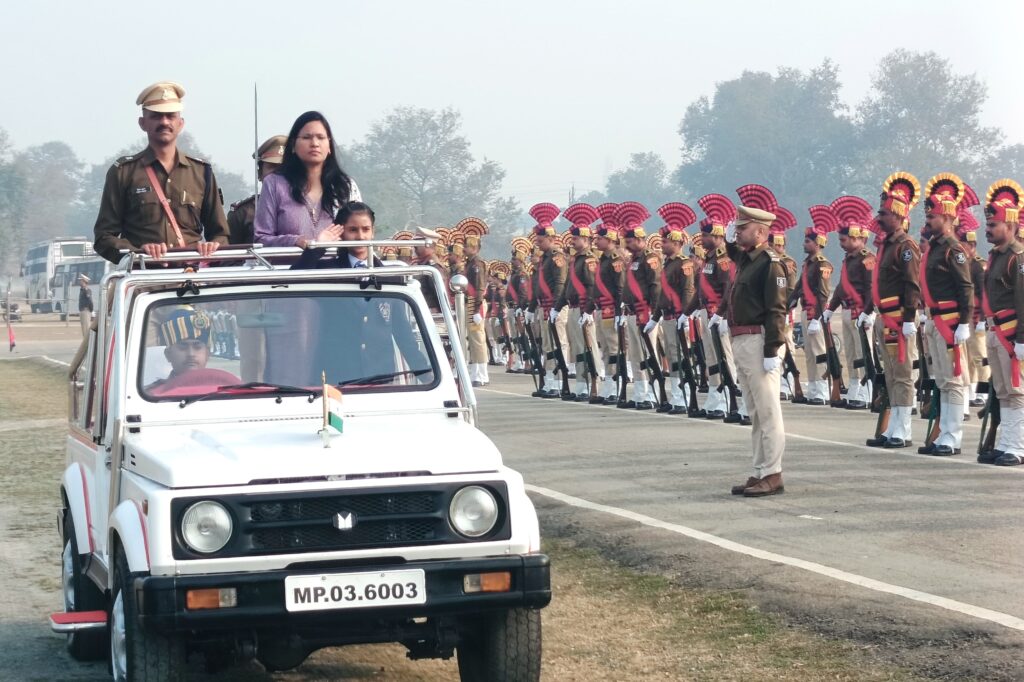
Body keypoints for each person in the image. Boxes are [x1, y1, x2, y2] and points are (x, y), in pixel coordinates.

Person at [291, 201, 431, 385]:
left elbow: (405, 338)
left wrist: (430, 378)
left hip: (380, 380)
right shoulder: (327, 272)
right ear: (341, 233)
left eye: (366, 229)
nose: (361, 236)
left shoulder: (389, 277)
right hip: (337, 379)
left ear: (373, 232)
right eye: (353, 230)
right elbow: (292, 280)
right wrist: (318, 246)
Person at [94, 81, 230, 263]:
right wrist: (137, 253)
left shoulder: (201, 172)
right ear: (143, 123)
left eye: (170, 116)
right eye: (156, 116)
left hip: (192, 279)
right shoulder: (123, 173)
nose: (164, 122)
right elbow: (104, 238)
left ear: (180, 123)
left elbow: (222, 236)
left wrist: (211, 247)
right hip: (144, 281)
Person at [726, 204, 788, 497]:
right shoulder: (749, 260)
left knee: (768, 410)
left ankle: (773, 473)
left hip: (758, 339)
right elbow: (733, 252)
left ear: (761, 232)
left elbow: (777, 309)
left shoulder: (770, 263)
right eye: (737, 228)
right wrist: (728, 239)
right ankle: (761, 469)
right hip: (742, 339)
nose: (737, 232)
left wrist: (772, 349)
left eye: (743, 228)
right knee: (754, 412)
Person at [917, 173, 974, 456]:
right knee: (942, 380)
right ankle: (944, 435)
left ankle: (953, 436)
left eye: (933, 216)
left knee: (953, 380)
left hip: (950, 322)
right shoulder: (936, 249)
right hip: (935, 319)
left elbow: (965, 287)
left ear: (948, 219)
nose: (928, 220)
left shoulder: (954, 250)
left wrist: (964, 322)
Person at [866, 172, 922, 450]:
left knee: (902, 373)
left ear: (898, 215)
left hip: (900, 317)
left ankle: (903, 429)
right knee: (889, 372)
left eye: (884, 213)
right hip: (884, 316)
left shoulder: (906, 247)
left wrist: (910, 318)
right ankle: (892, 427)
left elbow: (912, 285)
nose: (879, 218)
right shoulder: (886, 246)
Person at [253, 111, 361, 248]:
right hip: (289, 268)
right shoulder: (274, 184)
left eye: (321, 137)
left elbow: (359, 234)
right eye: (306, 137)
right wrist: (294, 241)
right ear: (293, 145)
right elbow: (261, 239)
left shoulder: (345, 186)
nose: (315, 143)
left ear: (329, 147)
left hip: (335, 268)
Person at [979, 179, 1024, 465]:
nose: (988, 229)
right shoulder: (996, 256)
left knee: (1016, 391)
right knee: (1003, 390)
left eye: (993, 224)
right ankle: (1007, 443)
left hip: (1011, 333)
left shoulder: (1017, 257)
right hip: (996, 330)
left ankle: (1017, 447)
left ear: (1009, 226)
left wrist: (1021, 337)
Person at [826, 196, 877, 410]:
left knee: (863, 353)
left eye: (844, 239)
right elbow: (841, 287)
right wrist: (830, 308)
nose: (841, 243)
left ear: (857, 238)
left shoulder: (867, 259)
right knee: (850, 352)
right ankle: (855, 387)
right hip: (847, 311)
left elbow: (871, 289)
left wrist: (869, 312)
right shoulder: (848, 259)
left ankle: (867, 391)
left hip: (860, 312)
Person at [695, 193, 738, 420]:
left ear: (719, 236)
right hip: (706, 313)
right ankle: (715, 396)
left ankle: (729, 398)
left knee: (724, 356)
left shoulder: (723, 261)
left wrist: (722, 316)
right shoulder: (708, 259)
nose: (702, 237)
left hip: (717, 315)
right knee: (712, 357)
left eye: (706, 234)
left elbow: (729, 289)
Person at [556, 203, 604, 402]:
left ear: (585, 239)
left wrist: (588, 310)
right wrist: (557, 307)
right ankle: (582, 385)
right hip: (574, 308)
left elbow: (592, 286)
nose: (572, 241)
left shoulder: (589, 260)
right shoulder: (575, 260)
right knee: (578, 348)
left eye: (575, 238)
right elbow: (568, 284)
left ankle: (594, 382)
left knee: (589, 347)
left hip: (584, 308)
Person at [654, 203, 699, 414]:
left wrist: (684, 315)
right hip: (668, 316)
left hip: (678, 316)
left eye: (665, 241)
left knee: (680, 357)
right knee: (672, 356)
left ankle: (684, 397)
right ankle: (677, 397)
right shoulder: (668, 263)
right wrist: (656, 317)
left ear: (676, 242)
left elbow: (688, 291)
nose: (661, 245)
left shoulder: (683, 263)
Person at [617, 201, 662, 410]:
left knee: (648, 352)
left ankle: (652, 393)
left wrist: (654, 313)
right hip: (632, 311)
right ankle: (640, 392)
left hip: (646, 311)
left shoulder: (650, 258)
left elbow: (655, 285)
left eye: (630, 241)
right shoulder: (633, 260)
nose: (627, 245)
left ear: (640, 240)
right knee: (635, 354)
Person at [791, 206, 836, 406]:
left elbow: (823, 294)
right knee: (808, 353)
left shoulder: (821, 264)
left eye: (808, 241)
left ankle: (822, 390)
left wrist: (818, 318)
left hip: (814, 314)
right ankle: (813, 387)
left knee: (819, 353)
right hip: (805, 311)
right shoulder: (808, 263)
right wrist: (789, 303)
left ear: (817, 243)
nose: (804, 244)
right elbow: (799, 287)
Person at [527, 203, 568, 398]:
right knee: (546, 346)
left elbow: (560, 284)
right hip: (544, 306)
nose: (538, 244)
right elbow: (538, 287)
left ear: (551, 239)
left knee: (557, 344)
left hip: (554, 306)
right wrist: (531, 307)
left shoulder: (557, 257)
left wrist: (556, 307)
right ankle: (550, 381)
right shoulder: (543, 259)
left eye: (541, 241)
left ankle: (559, 381)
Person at [593, 205, 627, 404]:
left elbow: (620, 287)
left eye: (600, 238)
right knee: (605, 348)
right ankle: (609, 386)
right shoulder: (603, 259)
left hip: (611, 310)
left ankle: (615, 385)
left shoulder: (616, 260)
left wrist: (618, 311)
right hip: (601, 309)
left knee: (614, 348)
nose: (596, 241)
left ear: (611, 239)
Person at [228, 135, 287, 244]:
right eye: (272, 167)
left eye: (285, 168)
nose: (278, 174)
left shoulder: (309, 209)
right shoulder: (243, 212)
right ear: (259, 173)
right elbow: (228, 259)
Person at [768, 209, 800, 400]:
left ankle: (790, 381)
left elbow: (790, 289)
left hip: (784, 309)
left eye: (777, 244)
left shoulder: (788, 263)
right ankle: (779, 380)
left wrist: (785, 308)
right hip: (772, 309)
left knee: (787, 344)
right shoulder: (769, 261)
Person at [457, 218, 490, 386]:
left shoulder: (477, 264)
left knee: (478, 339)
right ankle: (475, 370)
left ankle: (481, 374)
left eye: (467, 246)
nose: (464, 249)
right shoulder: (469, 264)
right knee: (472, 338)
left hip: (474, 303)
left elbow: (478, 288)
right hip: (469, 302)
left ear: (475, 247)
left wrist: (477, 309)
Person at [77, 274, 94, 338]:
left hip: (85, 311)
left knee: (86, 329)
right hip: (82, 311)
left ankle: (88, 345)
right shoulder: (82, 290)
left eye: (81, 281)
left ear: (85, 281)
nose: (80, 282)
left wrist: (91, 310)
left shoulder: (86, 290)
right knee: (84, 330)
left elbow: (90, 300)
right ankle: (86, 344)